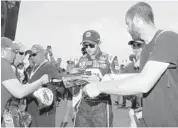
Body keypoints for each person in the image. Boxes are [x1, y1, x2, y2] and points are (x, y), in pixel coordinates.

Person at [84, 2, 178, 127]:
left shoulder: (167, 37)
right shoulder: (146, 50)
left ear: (137, 20)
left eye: (128, 24)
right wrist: (112, 78)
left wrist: (99, 87)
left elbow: (144, 83)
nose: (127, 29)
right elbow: (141, 79)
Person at [73, 30, 116, 127]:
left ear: (99, 43)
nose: (88, 48)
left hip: (102, 104)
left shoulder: (110, 59)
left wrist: (100, 82)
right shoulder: (80, 60)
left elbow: (118, 83)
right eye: (85, 45)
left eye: (91, 45)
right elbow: (73, 88)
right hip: (84, 104)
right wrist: (72, 78)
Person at [1, 37, 49, 118]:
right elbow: (19, 92)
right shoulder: (3, 63)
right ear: (2, 50)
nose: (15, 54)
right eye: (13, 51)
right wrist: (41, 81)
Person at [26, 44, 63, 127]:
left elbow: (60, 80)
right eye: (31, 55)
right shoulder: (34, 67)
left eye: (34, 54)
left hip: (44, 111)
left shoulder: (49, 65)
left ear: (42, 54)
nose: (32, 57)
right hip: (32, 108)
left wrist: (57, 97)